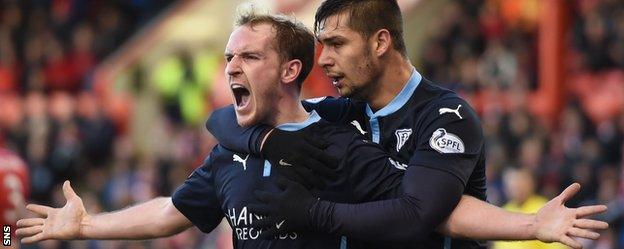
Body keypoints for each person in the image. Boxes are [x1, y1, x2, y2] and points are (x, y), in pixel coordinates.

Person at [205, 0, 609, 248]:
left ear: (380, 43)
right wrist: (268, 142)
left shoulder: (445, 117)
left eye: (337, 44)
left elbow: (417, 216)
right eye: (321, 45)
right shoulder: (342, 110)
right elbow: (226, 118)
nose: (324, 60)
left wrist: (313, 213)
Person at [14, 12, 411, 249]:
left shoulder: (341, 140)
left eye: (250, 56)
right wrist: (87, 225)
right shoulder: (228, 154)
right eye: (229, 57)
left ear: (291, 70)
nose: (231, 67)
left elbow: (418, 211)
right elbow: (171, 212)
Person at [0, 148, 29, 249]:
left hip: (5, 224)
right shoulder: (18, 163)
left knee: (6, 243)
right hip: (8, 225)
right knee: (7, 242)